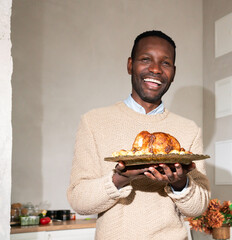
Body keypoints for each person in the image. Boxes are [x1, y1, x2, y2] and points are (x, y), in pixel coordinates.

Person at [67, 30, 210, 240]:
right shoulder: (94, 122)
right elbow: (79, 201)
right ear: (130, 65)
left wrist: (180, 184)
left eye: (165, 63)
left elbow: (199, 207)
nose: (155, 69)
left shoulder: (189, 129)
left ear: (174, 72)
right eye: (146, 59)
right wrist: (119, 179)